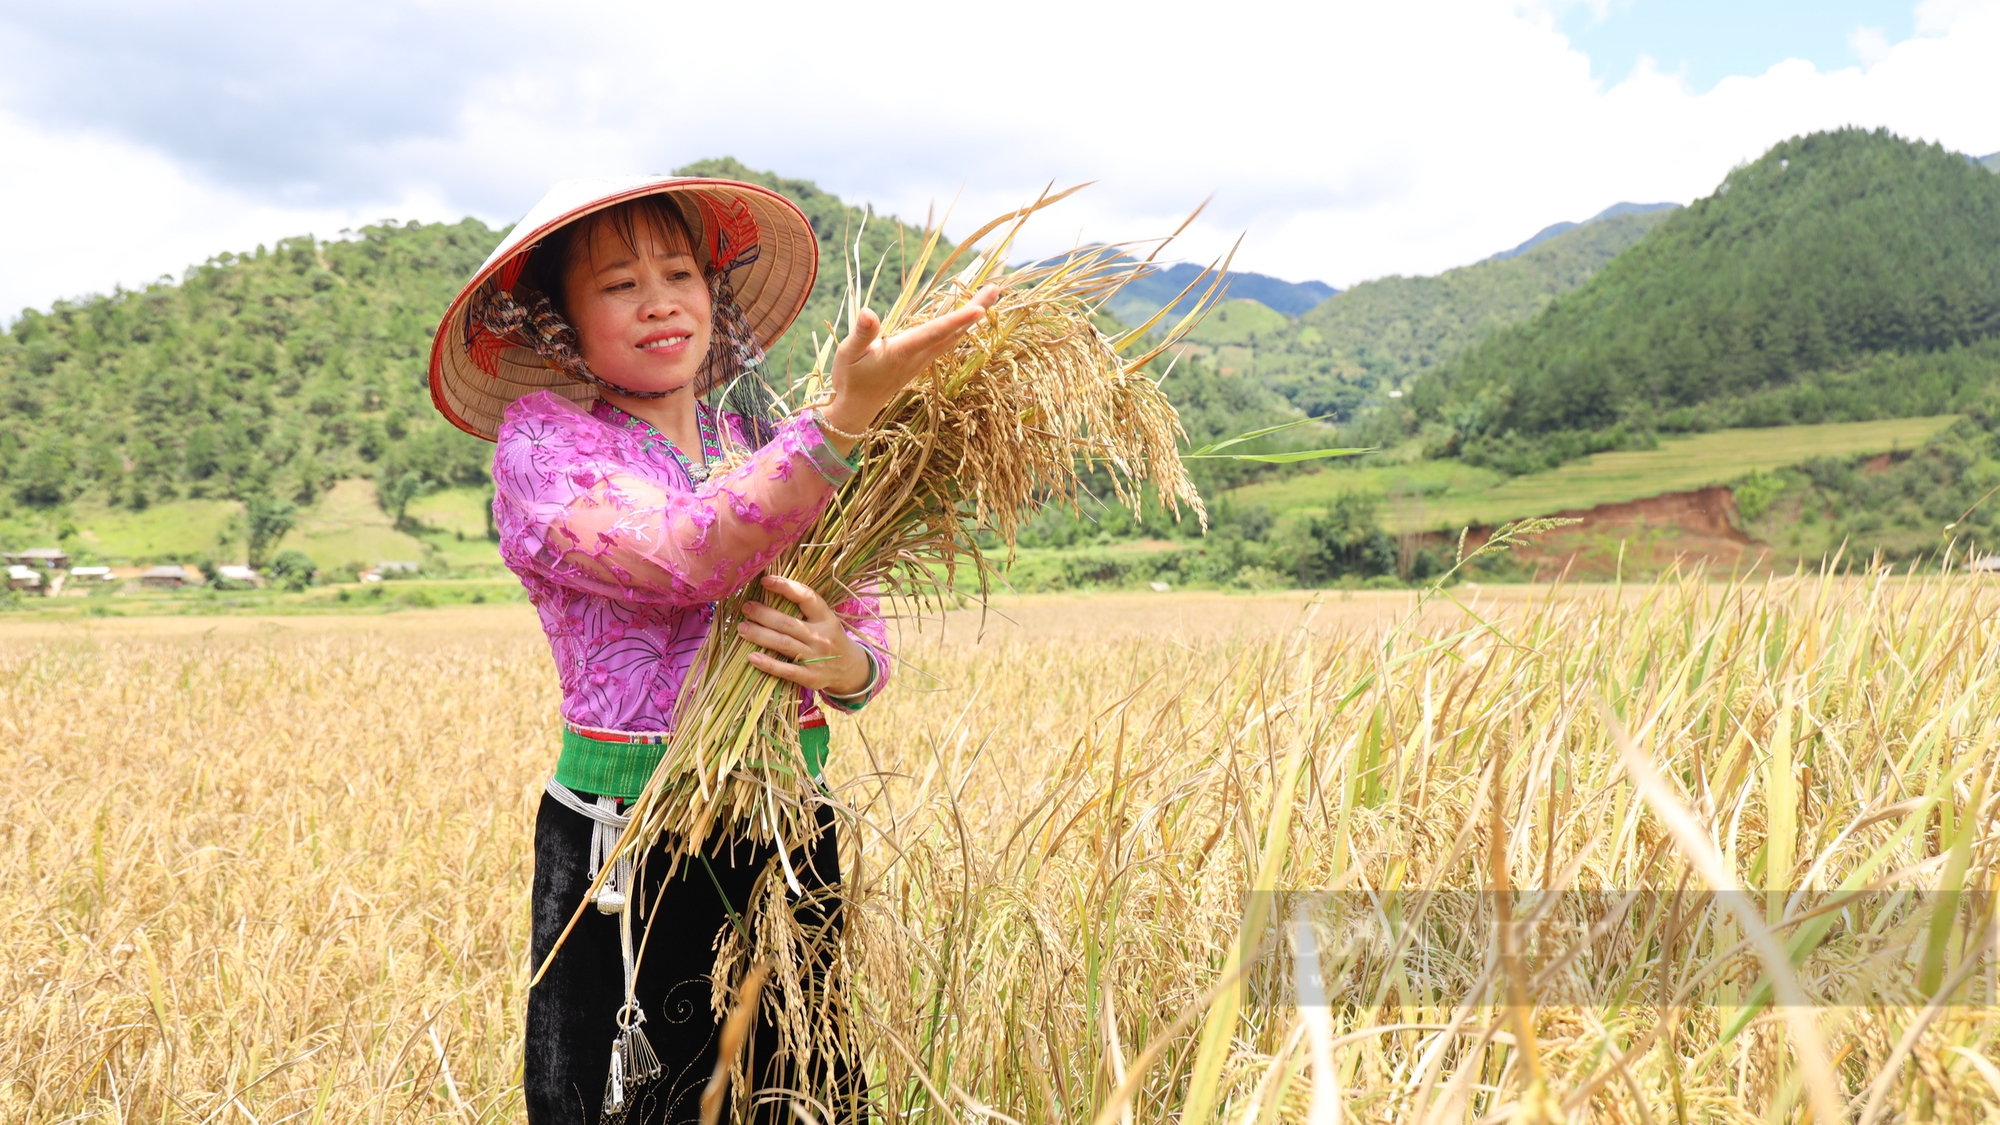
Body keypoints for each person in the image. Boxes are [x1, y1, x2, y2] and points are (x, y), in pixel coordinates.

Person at [427, 176, 998, 1124]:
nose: (660, 300)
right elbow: (685, 551)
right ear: (559, 322)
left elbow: (860, 620)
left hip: (786, 826)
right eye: (618, 284)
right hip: (634, 839)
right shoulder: (546, 448)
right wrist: (844, 422)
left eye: (679, 271)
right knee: (628, 1101)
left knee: (800, 1098)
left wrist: (845, 664)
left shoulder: (761, 438)